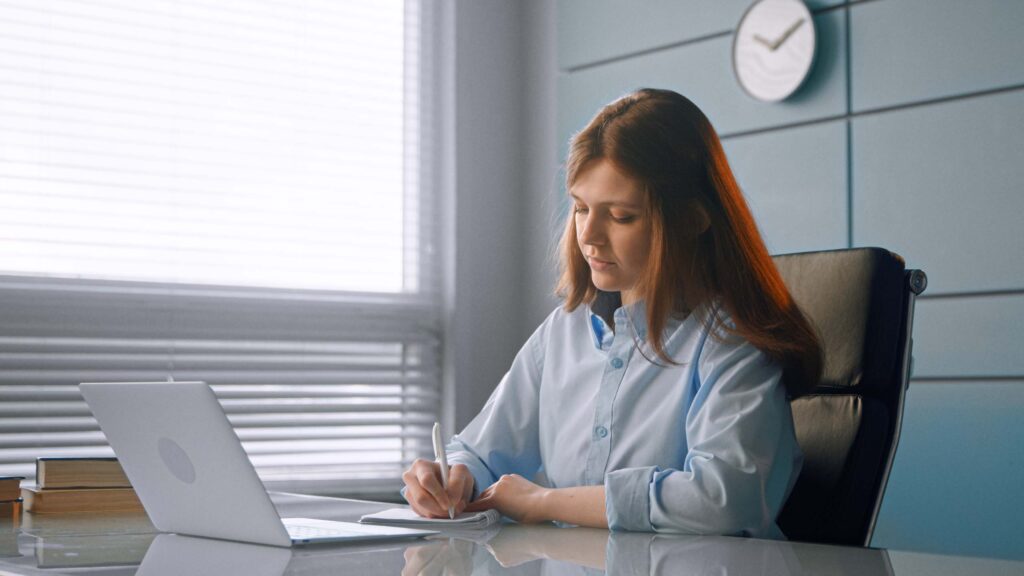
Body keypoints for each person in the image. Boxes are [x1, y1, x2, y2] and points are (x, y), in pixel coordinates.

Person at [401, 88, 822, 538]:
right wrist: (454, 475)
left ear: (693, 219)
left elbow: (721, 500)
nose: (590, 237)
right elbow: (481, 452)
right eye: (581, 208)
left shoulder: (731, 343)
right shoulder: (563, 332)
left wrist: (545, 502)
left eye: (621, 216)